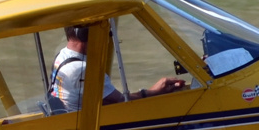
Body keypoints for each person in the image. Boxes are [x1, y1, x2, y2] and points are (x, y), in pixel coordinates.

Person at [52, 25, 186, 112]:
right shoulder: (82, 69)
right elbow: (121, 101)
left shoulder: (62, 56)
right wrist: (154, 91)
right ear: (86, 34)